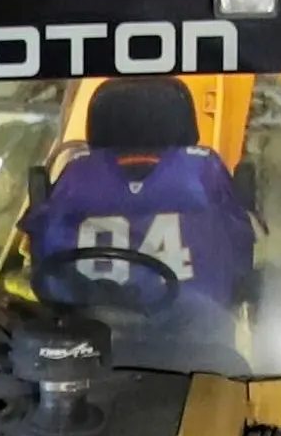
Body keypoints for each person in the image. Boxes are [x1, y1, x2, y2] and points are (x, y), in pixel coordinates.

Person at [20, 76, 250, 320]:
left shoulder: (76, 175)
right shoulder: (204, 170)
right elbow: (240, 253)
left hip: (85, 340)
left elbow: (47, 269)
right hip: (198, 339)